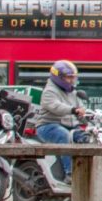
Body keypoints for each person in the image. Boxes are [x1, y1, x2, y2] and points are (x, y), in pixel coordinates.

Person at [34, 59, 88, 187]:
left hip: (70, 126)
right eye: (69, 77)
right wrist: (74, 110)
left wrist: (86, 116)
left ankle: (85, 170)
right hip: (48, 126)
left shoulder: (73, 92)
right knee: (63, 135)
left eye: (73, 77)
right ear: (58, 77)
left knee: (85, 137)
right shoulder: (49, 91)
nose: (71, 80)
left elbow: (80, 108)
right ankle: (69, 174)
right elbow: (56, 107)